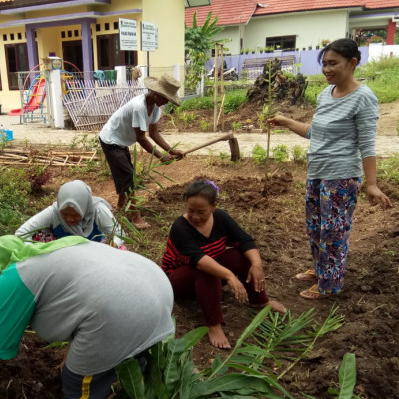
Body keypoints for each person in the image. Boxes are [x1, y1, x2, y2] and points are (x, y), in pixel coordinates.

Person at [0, 235, 174, 399]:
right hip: (155, 287)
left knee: (77, 381)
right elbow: (82, 302)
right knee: (133, 358)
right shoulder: (56, 249)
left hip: (118, 312)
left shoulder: (12, 277)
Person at [267, 38, 392, 300]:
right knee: (315, 227)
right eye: (324, 64)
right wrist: (285, 121)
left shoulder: (363, 97)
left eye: (333, 63)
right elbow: (314, 132)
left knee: (333, 232)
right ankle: (322, 269)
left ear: (352, 63)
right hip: (317, 172)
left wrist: (371, 184)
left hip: (342, 175)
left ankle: (330, 284)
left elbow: (367, 144)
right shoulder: (326, 94)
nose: (327, 69)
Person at [161, 180, 287, 349]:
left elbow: (244, 240)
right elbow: (198, 260)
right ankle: (214, 325)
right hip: (179, 280)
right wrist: (229, 276)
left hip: (209, 269)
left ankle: (260, 300)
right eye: (191, 211)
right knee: (208, 271)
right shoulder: (180, 228)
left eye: (201, 212)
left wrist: (256, 265)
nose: (195, 216)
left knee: (239, 256)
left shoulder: (220, 217)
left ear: (213, 207)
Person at [99, 74, 185, 229]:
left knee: (125, 174)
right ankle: (135, 217)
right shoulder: (139, 106)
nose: (166, 101)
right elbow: (141, 138)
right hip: (110, 140)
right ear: (155, 93)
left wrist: (171, 150)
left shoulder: (156, 108)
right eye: (165, 98)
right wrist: (161, 156)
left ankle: (120, 206)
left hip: (122, 141)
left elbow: (154, 134)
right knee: (128, 177)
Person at [15, 179, 125, 248]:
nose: (70, 219)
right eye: (64, 214)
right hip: (63, 254)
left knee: (120, 251)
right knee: (38, 236)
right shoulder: (54, 211)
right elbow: (22, 232)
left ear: (84, 207)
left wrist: (110, 247)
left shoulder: (97, 209)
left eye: (75, 215)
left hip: (94, 250)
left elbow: (118, 233)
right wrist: (33, 251)